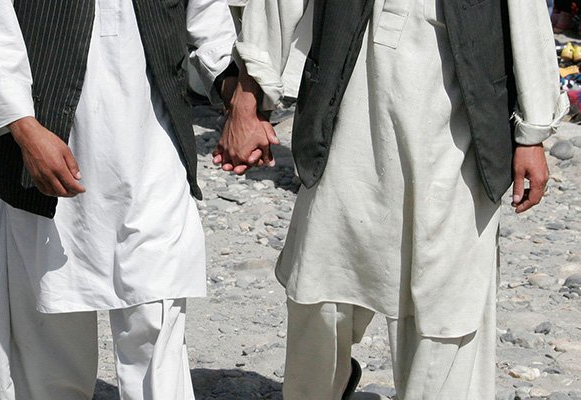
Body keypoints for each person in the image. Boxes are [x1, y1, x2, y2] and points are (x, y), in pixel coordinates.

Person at [215, 0, 568, 399]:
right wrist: (247, 100)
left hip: (458, 129)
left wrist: (533, 132)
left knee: (447, 304)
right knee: (320, 285)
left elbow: (527, 13)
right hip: (346, 118)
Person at [0, 0, 236, 398]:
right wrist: (24, 129)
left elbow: (208, 18)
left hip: (153, 155)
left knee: (157, 334)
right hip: (44, 158)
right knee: (47, 350)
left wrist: (237, 92)